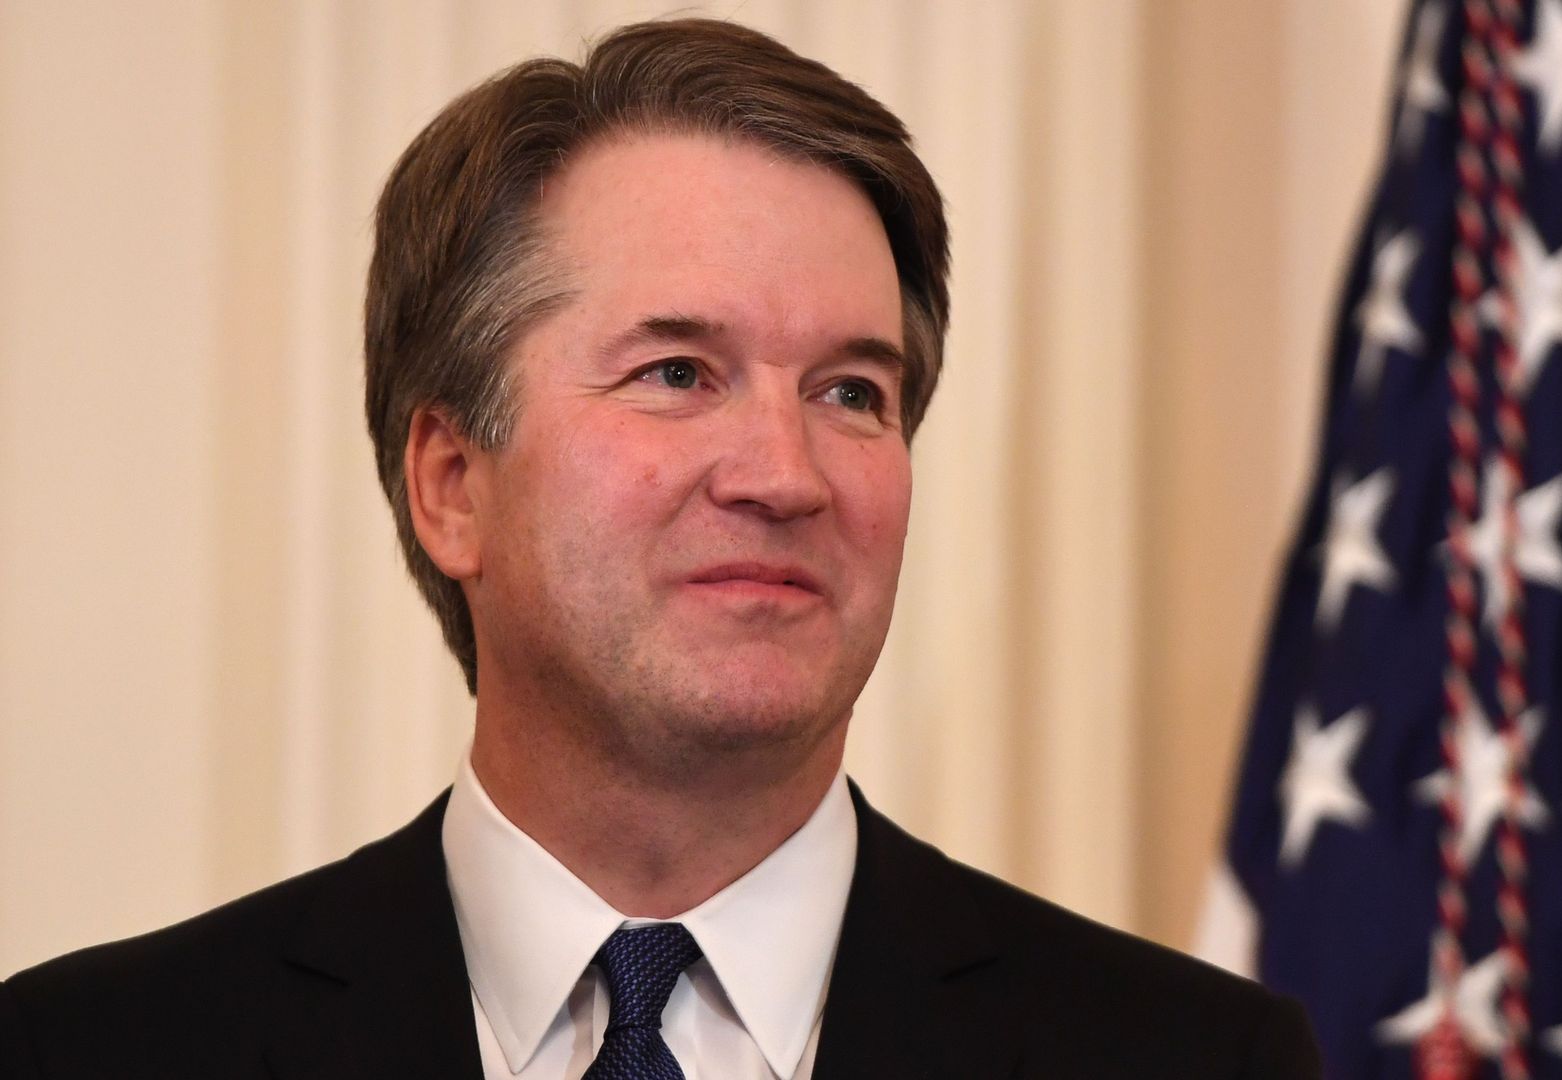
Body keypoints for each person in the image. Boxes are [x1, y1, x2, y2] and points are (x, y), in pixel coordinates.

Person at [0, 18, 1320, 1079]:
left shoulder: (1195, 1058)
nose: (785, 475)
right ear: (452, 483)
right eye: (679, 370)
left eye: (852, 391)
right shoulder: (90, 1052)